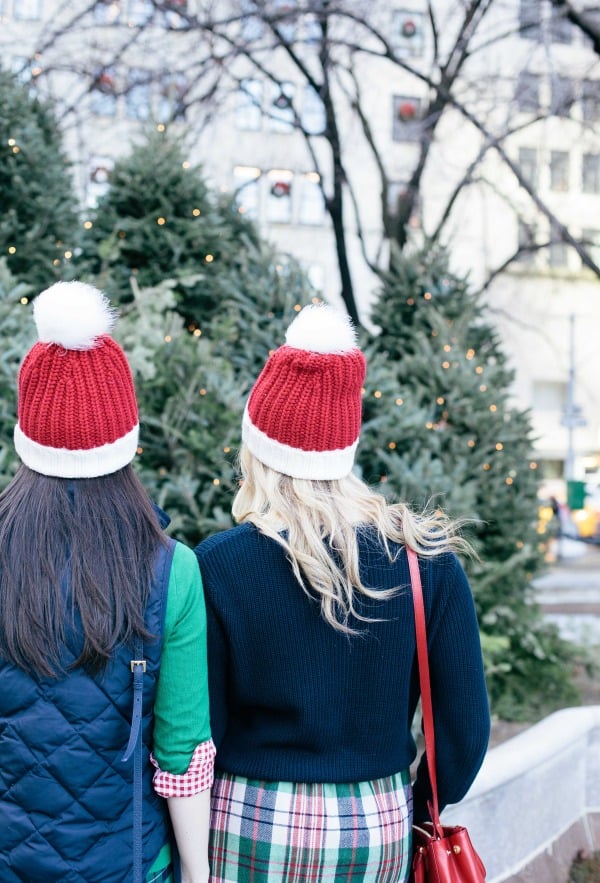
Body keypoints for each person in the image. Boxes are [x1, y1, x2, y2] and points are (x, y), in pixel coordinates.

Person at [195, 303, 491, 882]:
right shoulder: (425, 562)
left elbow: (203, 726)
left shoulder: (219, 563)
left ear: (257, 450)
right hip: (375, 821)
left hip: (251, 819)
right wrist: (417, 800)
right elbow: (465, 732)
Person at [0, 281, 215, 883]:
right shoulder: (173, 569)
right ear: (126, 438)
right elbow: (182, 752)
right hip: (129, 863)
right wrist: (198, 873)